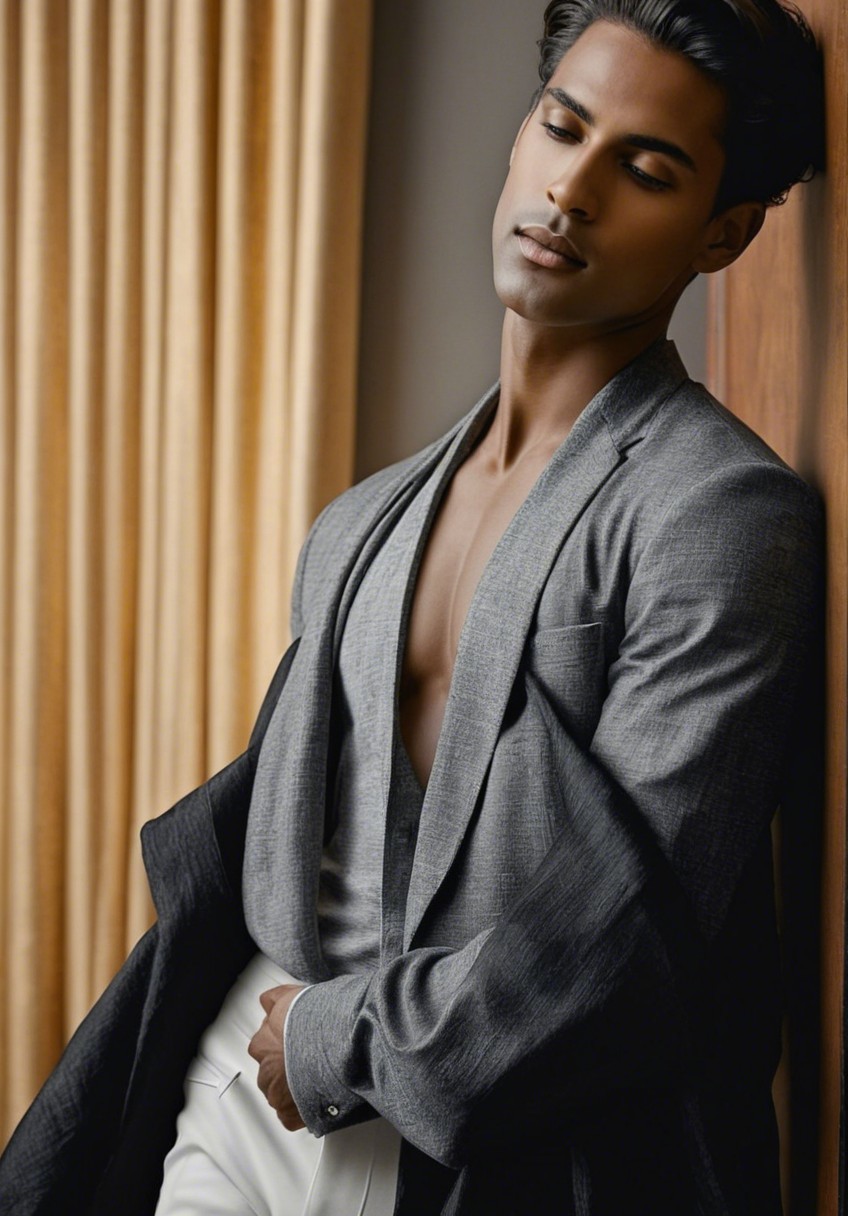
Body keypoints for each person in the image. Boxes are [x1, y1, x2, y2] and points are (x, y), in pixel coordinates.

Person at [0, 1, 825, 1214]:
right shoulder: (361, 519)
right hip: (246, 1074)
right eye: (560, 129)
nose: (571, 191)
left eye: (643, 169)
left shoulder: (716, 510)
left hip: (474, 1131)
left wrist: (338, 1042)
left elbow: (629, 939)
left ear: (722, 234)